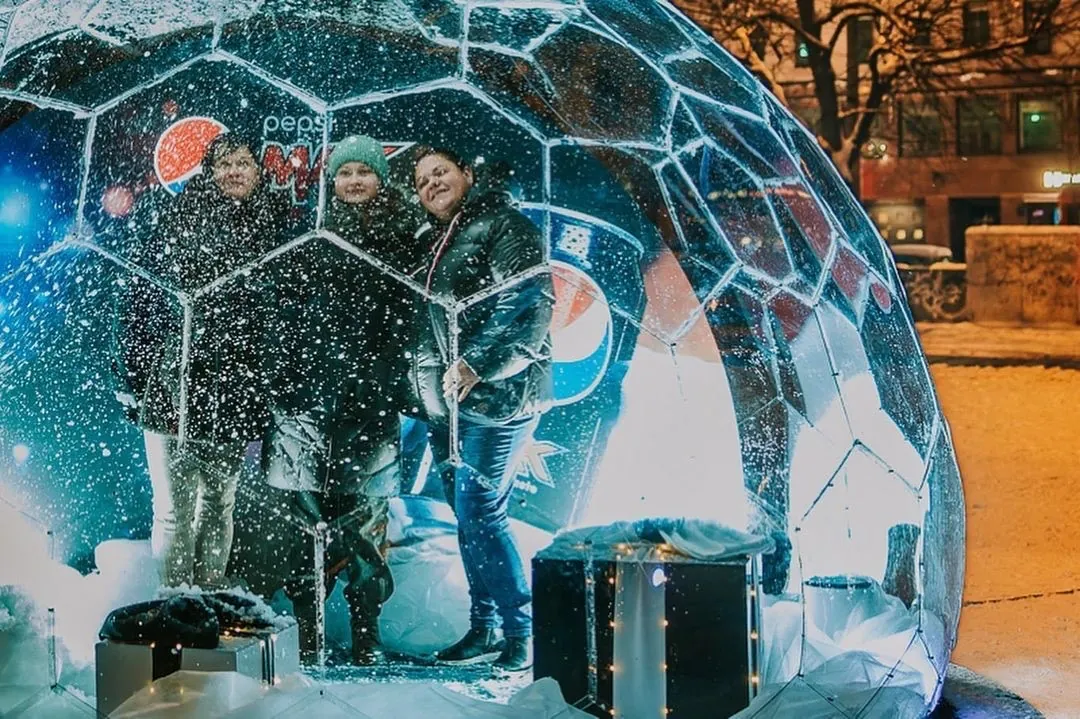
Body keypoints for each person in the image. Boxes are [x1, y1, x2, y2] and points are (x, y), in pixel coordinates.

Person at [261, 134, 424, 665]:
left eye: (364, 171)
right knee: (301, 527)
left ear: (381, 178)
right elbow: (280, 311)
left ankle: (366, 634)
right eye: (345, 172)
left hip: (368, 408)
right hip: (305, 407)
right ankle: (308, 631)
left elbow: (408, 323)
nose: (354, 181)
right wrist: (288, 379)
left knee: (364, 530)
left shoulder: (405, 239)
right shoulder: (307, 235)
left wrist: (378, 380)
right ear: (331, 181)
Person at [113, 133, 289, 589]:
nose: (233, 171)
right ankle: (174, 606)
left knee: (219, 502)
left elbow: (279, 311)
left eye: (243, 162)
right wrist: (136, 374)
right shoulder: (178, 218)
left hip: (235, 386)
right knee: (173, 510)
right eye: (224, 163)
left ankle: (209, 598)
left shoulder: (276, 225)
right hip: (176, 379)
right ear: (209, 172)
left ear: (259, 171)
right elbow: (142, 301)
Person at [410, 146, 554, 672]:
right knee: (471, 519)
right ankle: (485, 627)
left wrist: (477, 365)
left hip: (498, 401)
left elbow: (526, 303)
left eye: (441, 172)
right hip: (450, 408)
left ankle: (521, 632)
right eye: (422, 180)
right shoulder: (437, 240)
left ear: (468, 174)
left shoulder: (504, 225)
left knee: (481, 512)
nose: (432, 184)